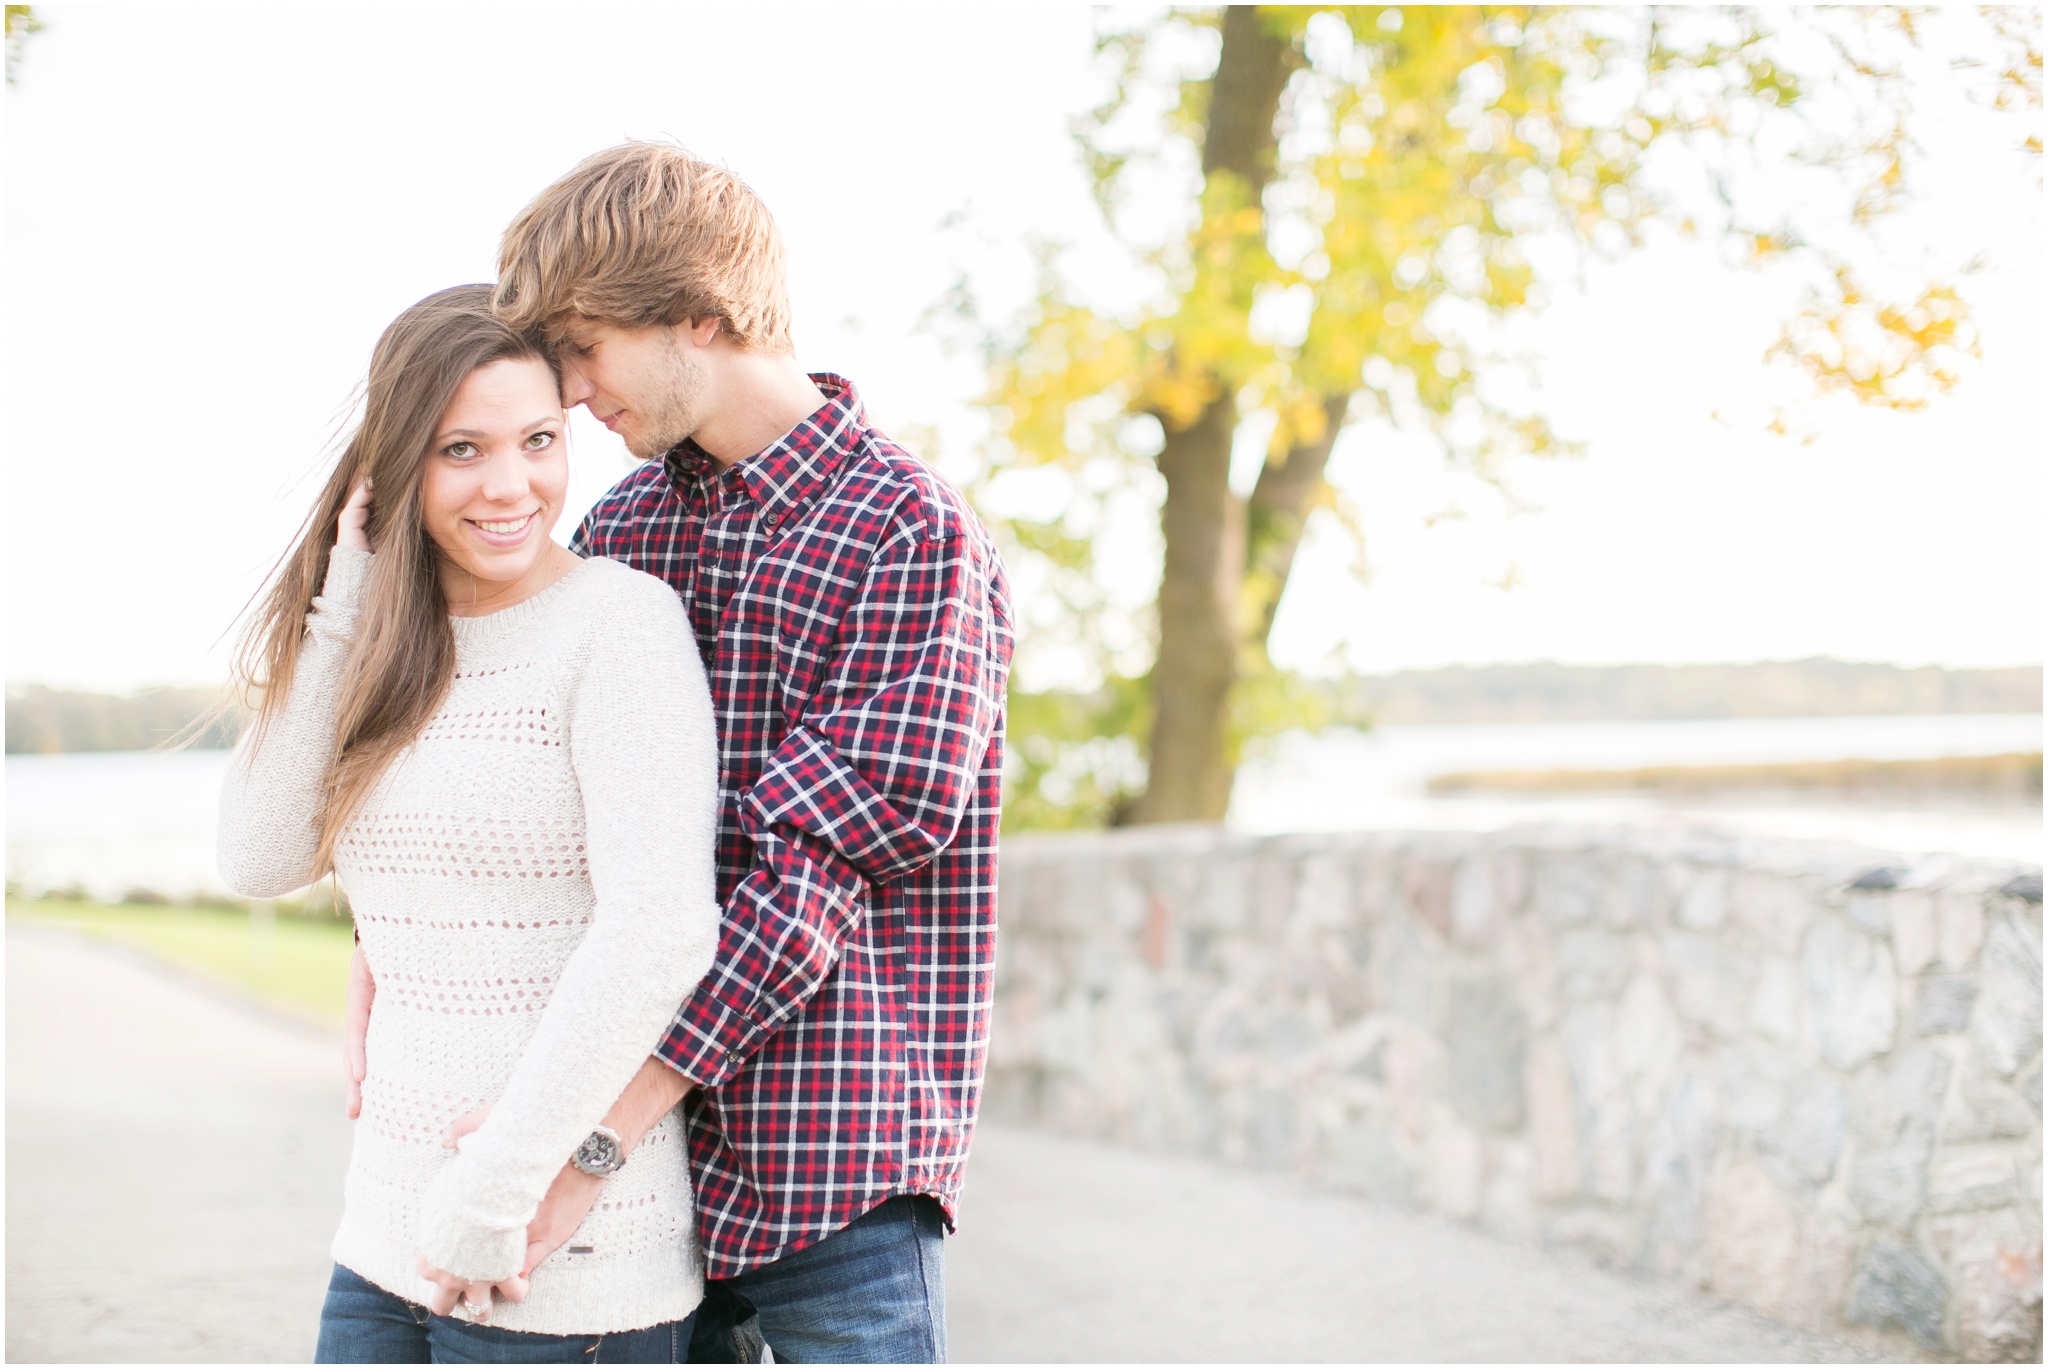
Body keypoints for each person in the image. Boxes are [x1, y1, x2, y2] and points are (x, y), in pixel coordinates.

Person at [348, 141, 1016, 1363]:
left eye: (585, 348)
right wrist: (381, 955)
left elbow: (813, 878)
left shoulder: (909, 531)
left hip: (829, 1159)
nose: (573, 391)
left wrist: (586, 1141)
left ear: (700, 318)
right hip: (650, 1182)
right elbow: (505, 775)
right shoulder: (626, 527)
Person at [218, 285, 722, 1363]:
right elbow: (259, 857)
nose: (510, 485)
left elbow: (658, 930)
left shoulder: (617, 624)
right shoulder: (381, 650)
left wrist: (496, 1188)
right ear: (399, 466)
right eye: (461, 449)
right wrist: (343, 606)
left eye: (538, 439)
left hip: (557, 1266)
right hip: (382, 1239)